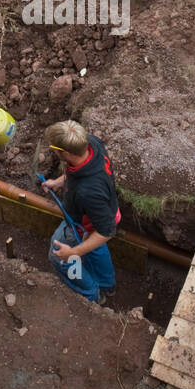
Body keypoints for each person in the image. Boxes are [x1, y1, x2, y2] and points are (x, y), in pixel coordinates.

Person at [41, 120, 120, 305]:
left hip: (85, 224)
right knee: (96, 248)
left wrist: (72, 252)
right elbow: (74, 170)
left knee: (58, 255)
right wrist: (58, 182)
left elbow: (105, 232)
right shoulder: (91, 144)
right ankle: (107, 286)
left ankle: (91, 294)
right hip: (108, 211)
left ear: (66, 153)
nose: (52, 150)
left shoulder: (88, 192)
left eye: (54, 148)